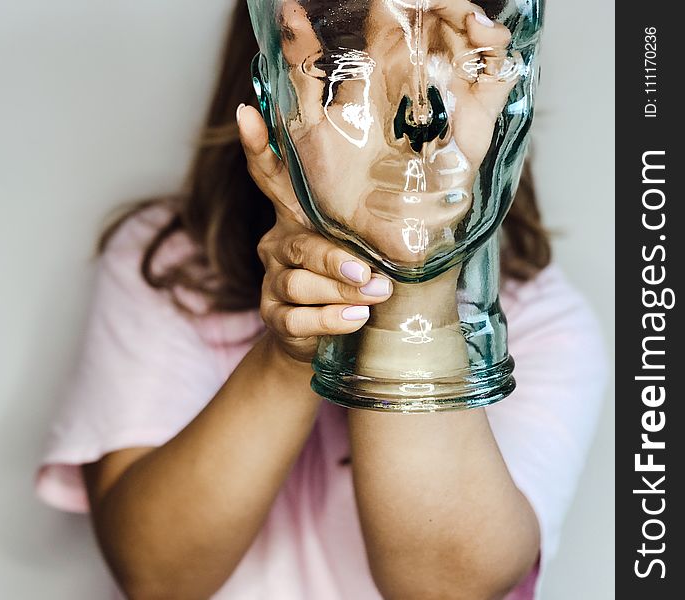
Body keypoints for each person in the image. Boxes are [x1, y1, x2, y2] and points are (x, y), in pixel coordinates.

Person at [35, 2, 606, 598]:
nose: (408, 105)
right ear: (280, 68)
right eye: (349, 59)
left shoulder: (546, 325)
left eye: (438, 52)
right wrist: (290, 350)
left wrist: (414, 264)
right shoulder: (171, 270)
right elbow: (157, 573)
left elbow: (443, 588)